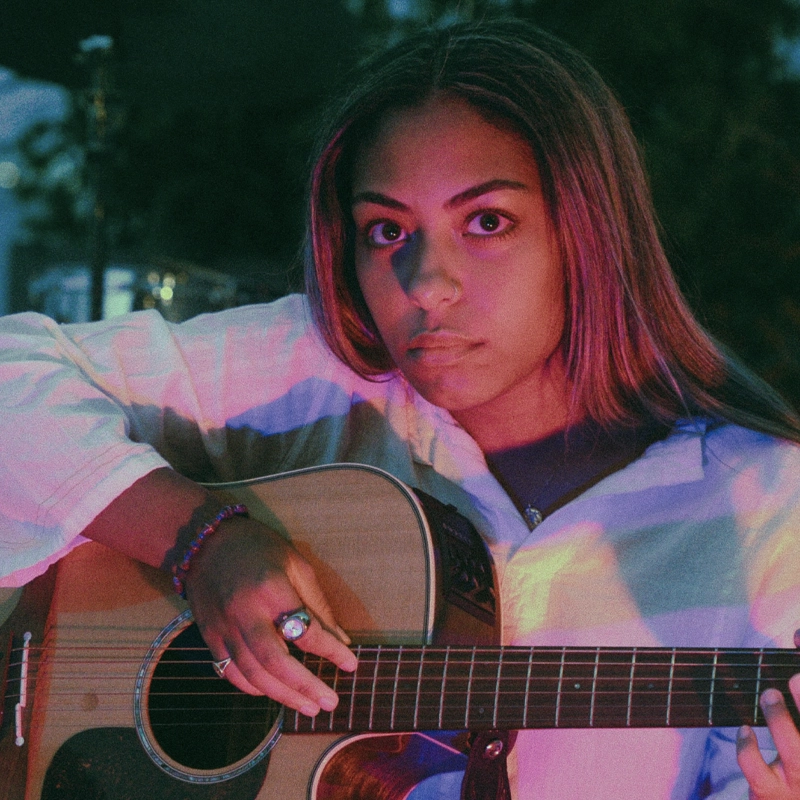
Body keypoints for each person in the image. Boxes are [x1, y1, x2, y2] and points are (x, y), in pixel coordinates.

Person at [1, 17, 800, 799]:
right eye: (386, 230)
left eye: (486, 222)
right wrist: (202, 545)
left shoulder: (765, 507)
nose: (424, 285)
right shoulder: (323, 375)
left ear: (590, 231)